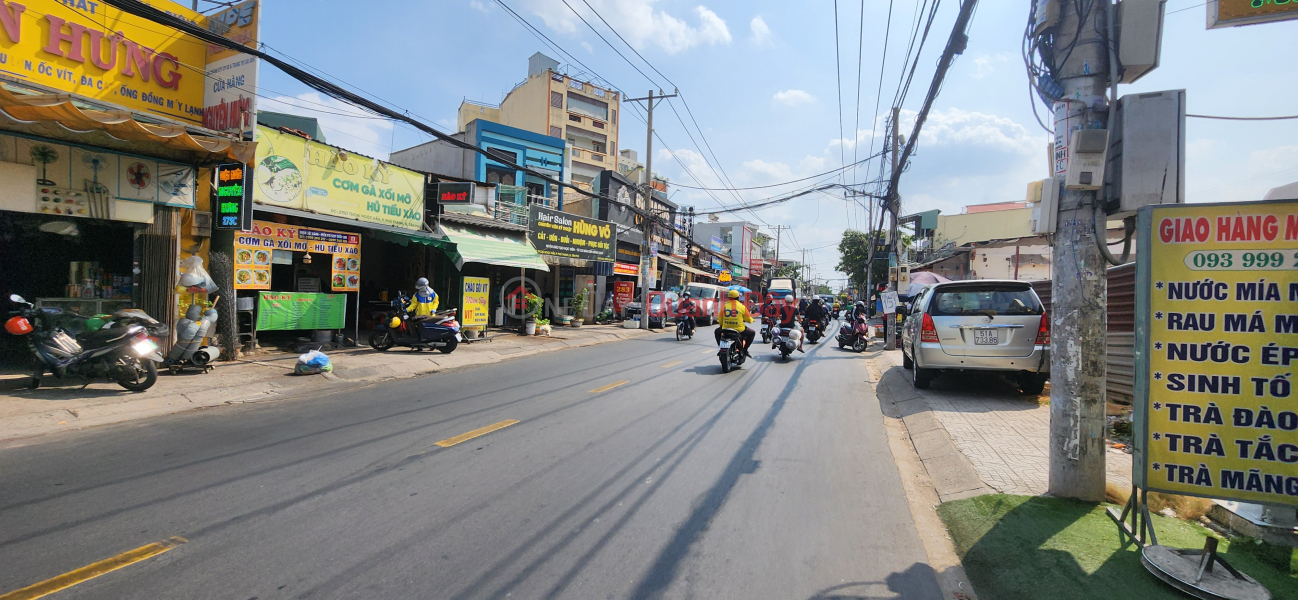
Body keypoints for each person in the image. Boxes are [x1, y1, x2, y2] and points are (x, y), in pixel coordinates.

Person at [715, 289, 755, 357]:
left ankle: (721, 349)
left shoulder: (724, 307)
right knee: (752, 332)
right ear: (738, 297)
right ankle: (745, 350)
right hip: (739, 330)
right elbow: (748, 319)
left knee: (716, 331)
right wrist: (751, 320)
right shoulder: (742, 307)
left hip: (725, 328)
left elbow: (720, 319)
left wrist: (722, 326)